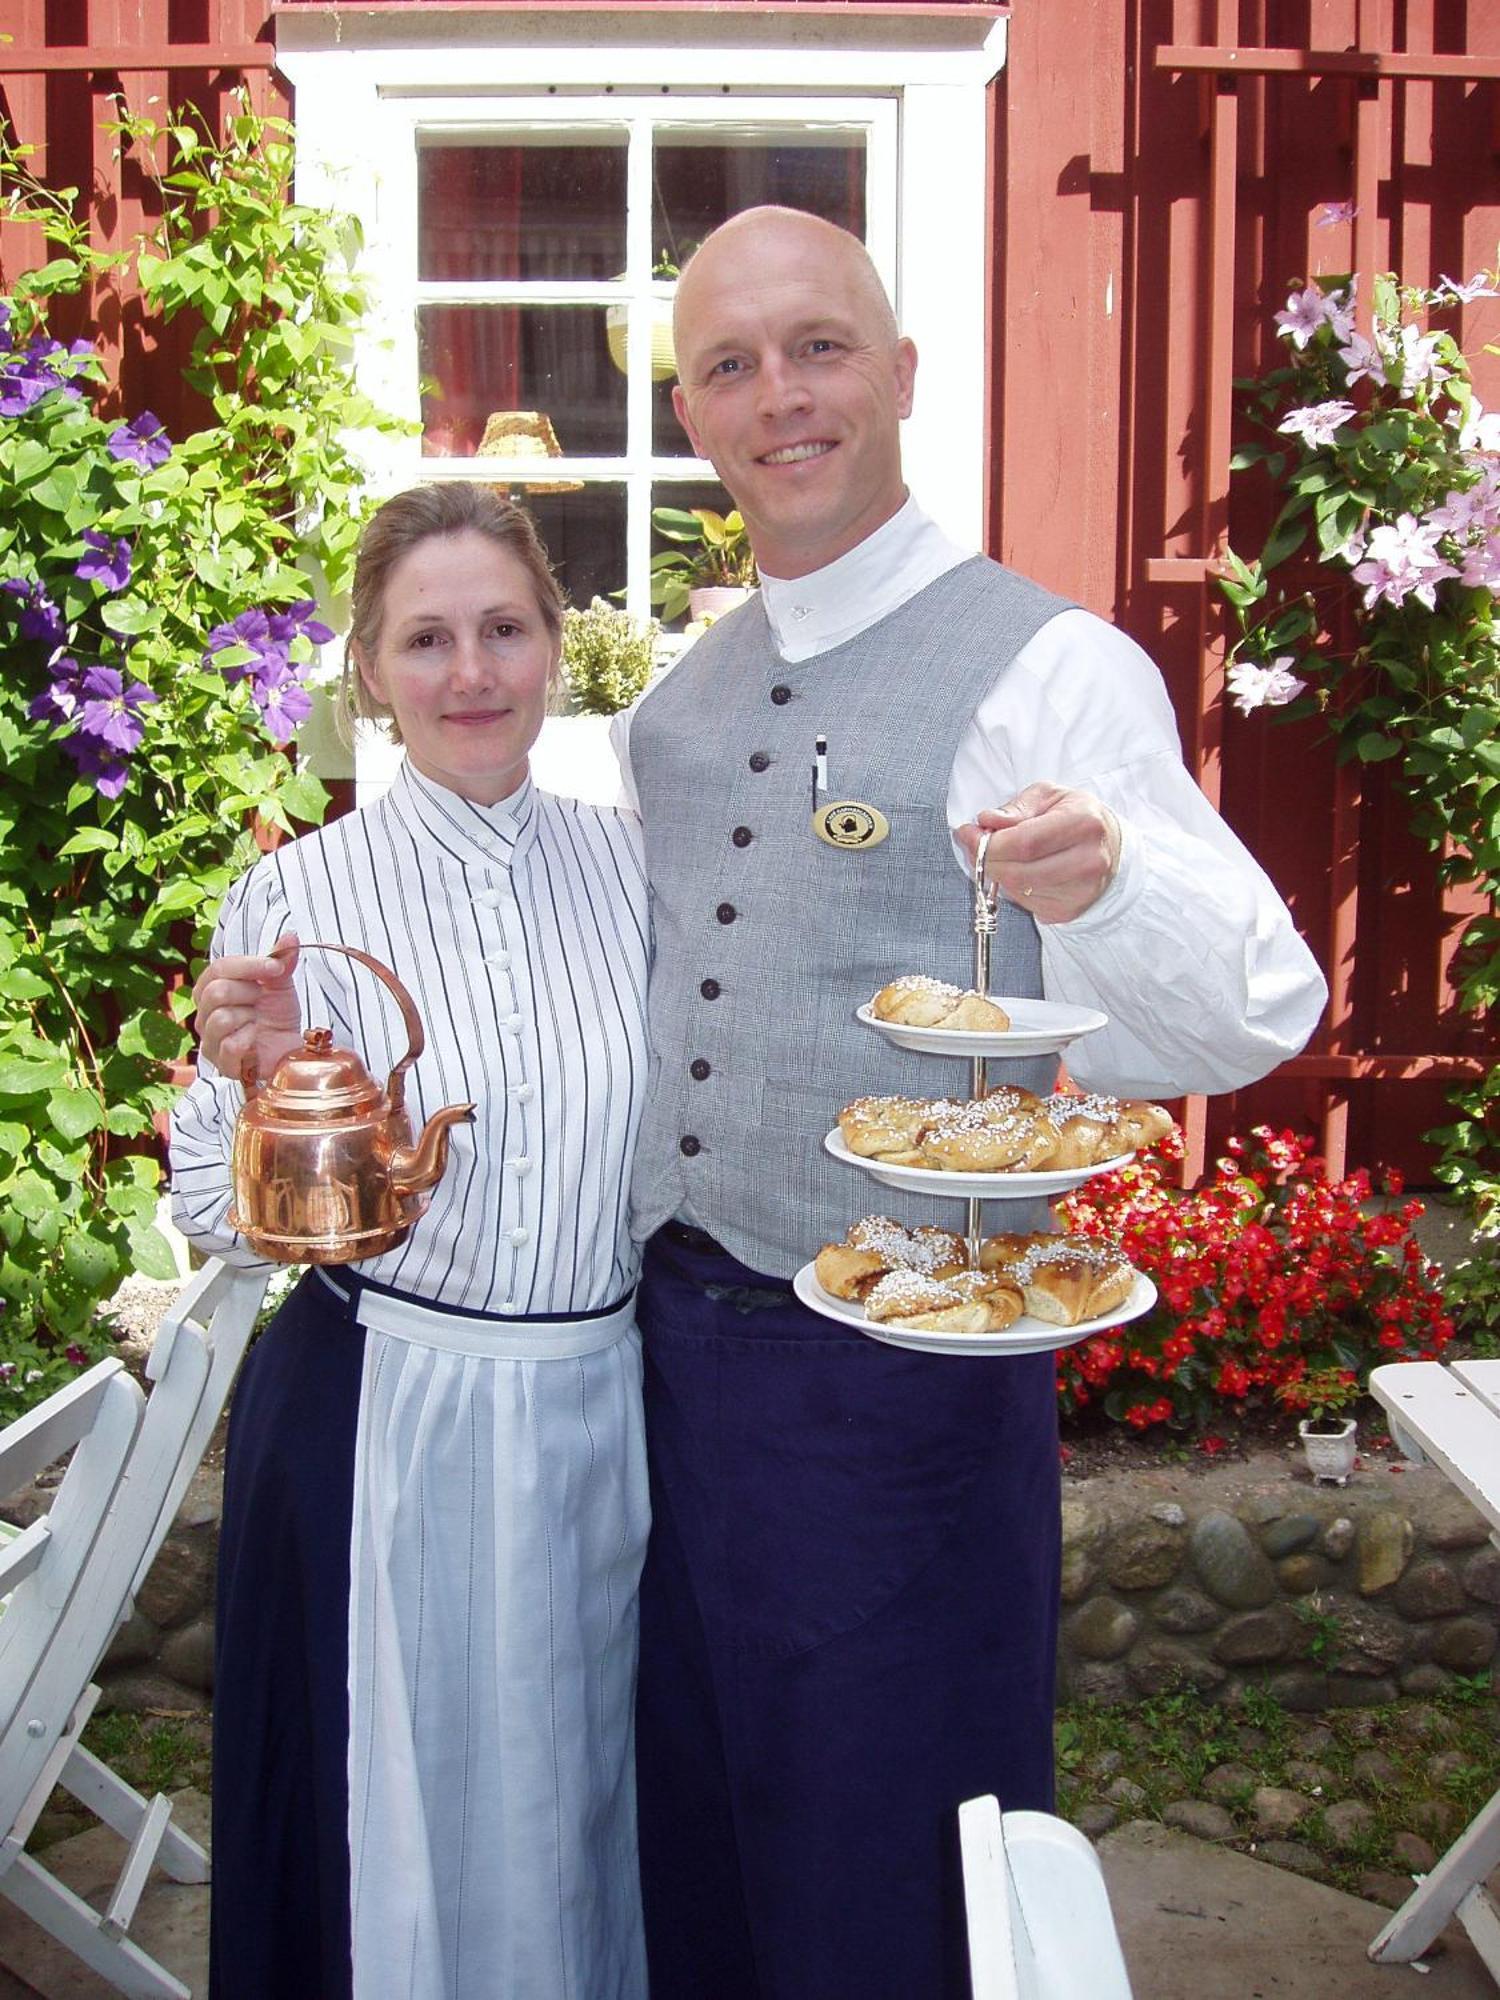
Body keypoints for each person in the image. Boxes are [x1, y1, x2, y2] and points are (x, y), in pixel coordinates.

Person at [614, 206, 1329, 1998]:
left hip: (906, 1384)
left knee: (894, 1848)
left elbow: (1254, 1009)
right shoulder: (679, 707)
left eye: (820, 347)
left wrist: (1102, 897)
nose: (779, 396)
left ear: (905, 374)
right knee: (695, 1824)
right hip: (665, 1359)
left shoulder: (1044, 667)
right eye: (730, 364)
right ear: (694, 413)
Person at [169, 484, 651, 2000]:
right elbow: (204, 1199)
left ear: (556, 647)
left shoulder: (639, 869)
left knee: (589, 1788)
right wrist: (247, 1081)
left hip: (610, 1402)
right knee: (399, 1804)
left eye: (504, 630)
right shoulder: (302, 896)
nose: (471, 675)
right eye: (427, 639)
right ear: (368, 669)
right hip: (386, 1413)